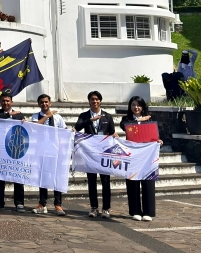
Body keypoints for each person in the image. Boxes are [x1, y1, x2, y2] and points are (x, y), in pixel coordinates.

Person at [75, 90, 115, 218]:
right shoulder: (84, 115)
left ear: (100, 101)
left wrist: (114, 135)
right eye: (92, 99)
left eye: (97, 99)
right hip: (90, 154)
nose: (95, 101)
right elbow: (77, 127)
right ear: (89, 101)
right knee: (92, 181)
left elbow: (112, 132)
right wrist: (90, 120)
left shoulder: (107, 116)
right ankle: (94, 208)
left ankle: (106, 209)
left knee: (105, 181)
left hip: (104, 154)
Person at [120, 96, 159, 222]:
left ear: (143, 106)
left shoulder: (151, 119)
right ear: (130, 107)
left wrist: (159, 140)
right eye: (133, 105)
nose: (136, 107)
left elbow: (156, 134)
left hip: (148, 156)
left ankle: (148, 211)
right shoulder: (126, 119)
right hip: (132, 156)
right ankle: (135, 211)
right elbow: (126, 126)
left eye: (138, 105)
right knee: (133, 182)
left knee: (148, 181)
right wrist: (140, 120)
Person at [31, 94, 67, 216]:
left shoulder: (58, 118)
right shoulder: (36, 116)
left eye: (46, 102)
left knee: (57, 178)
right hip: (41, 151)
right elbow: (35, 127)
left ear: (50, 103)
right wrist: (47, 116)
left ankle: (58, 204)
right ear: (39, 104)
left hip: (55, 151)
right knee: (43, 178)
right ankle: (42, 203)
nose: (44, 104)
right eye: (42, 102)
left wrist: (63, 149)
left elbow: (64, 133)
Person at [0, 91, 25, 212]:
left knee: (17, 176)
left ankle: (19, 203)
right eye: (3, 101)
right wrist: (9, 115)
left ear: (11, 102)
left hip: (15, 149)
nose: (5, 103)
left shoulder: (19, 115)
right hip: (0, 148)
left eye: (8, 101)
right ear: (0, 102)